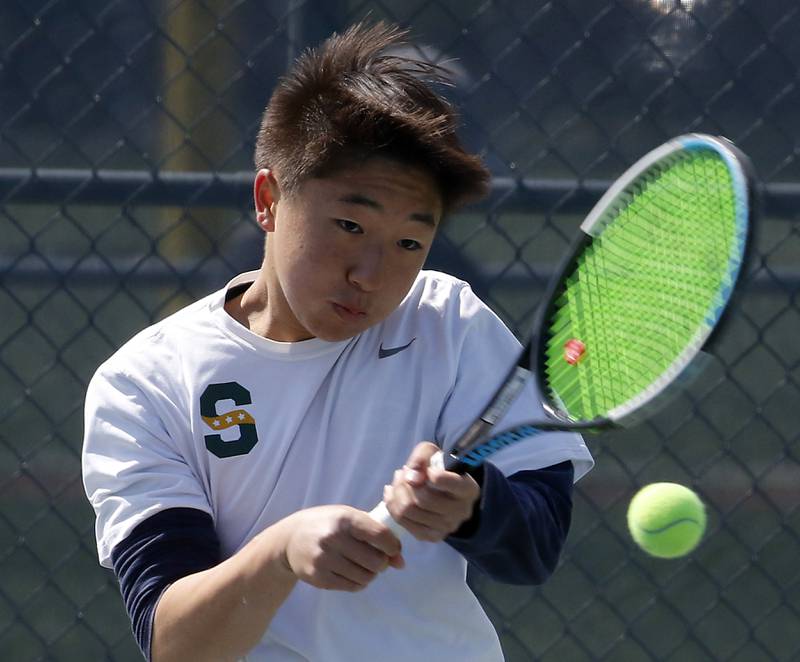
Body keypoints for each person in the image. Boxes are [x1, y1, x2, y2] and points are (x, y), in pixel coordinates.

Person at [82, 20, 593, 662]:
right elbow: (177, 645)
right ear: (268, 199)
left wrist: (472, 507)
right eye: (349, 225)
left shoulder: (450, 321)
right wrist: (284, 550)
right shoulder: (145, 384)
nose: (371, 274)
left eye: (410, 241)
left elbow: (537, 546)